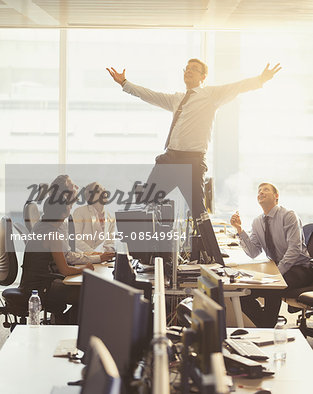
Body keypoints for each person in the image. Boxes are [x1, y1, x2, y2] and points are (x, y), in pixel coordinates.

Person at [106, 60, 281, 223]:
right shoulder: (177, 99)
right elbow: (151, 96)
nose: (188, 71)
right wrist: (125, 83)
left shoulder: (210, 95)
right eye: (186, 69)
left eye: (194, 69)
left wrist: (261, 79)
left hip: (192, 161)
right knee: (148, 202)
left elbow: (236, 87)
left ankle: (210, 255)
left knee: (198, 211)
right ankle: (149, 252)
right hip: (170, 158)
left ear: (203, 77)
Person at [230, 182, 313, 327]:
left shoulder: (288, 216)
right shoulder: (257, 222)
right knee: (238, 292)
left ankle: (267, 325)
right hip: (279, 269)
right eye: (259, 191)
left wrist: (276, 274)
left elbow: (294, 250)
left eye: (265, 190)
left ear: (276, 196)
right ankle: (265, 324)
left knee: (272, 287)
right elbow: (253, 252)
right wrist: (239, 230)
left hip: (300, 268)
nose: (261, 192)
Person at [20, 175, 94, 324]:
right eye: (68, 207)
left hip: (33, 283)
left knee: (86, 292)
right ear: (62, 213)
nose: (70, 208)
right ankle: (64, 321)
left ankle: (62, 319)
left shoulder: (41, 226)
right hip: (41, 288)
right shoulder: (53, 235)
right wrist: (85, 268)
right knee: (90, 293)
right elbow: (65, 270)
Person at [72, 181, 115, 253]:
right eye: (99, 190)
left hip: (103, 260)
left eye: (104, 189)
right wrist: (94, 254)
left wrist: (109, 250)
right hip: (83, 258)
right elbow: (76, 239)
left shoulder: (111, 216)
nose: (104, 191)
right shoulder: (80, 212)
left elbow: (110, 242)